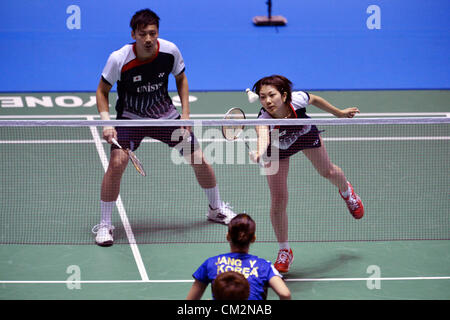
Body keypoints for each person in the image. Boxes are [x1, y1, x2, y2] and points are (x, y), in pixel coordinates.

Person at [92, 9, 236, 246]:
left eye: (152, 33)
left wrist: (185, 116)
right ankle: (105, 224)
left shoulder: (169, 51)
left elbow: (181, 78)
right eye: (142, 34)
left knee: (198, 157)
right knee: (117, 163)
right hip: (130, 118)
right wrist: (107, 123)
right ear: (133, 35)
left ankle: (216, 208)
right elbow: (102, 91)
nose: (148, 39)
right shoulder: (119, 58)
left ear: (157, 33)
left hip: (164, 115)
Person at [249, 75, 364, 273]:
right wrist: (259, 152)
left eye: (271, 95)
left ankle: (347, 192)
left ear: (284, 95)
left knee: (327, 171)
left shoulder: (298, 100)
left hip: (303, 135)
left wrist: (339, 113)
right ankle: (285, 251)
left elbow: (315, 99)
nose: (267, 101)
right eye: (262, 97)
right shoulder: (264, 119)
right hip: (278, 147)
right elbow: (262, 137)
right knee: (278, 199)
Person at [186, 213, 291, 300]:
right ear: (253, 238)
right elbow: (285, 294)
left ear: (228, 236)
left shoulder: (211, 263)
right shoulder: (264, 266)